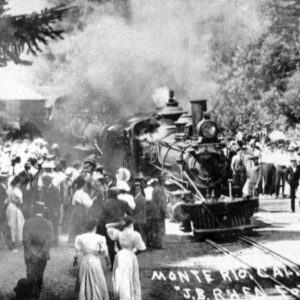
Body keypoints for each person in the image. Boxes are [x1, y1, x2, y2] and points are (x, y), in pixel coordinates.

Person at [106, 216, 146, 300]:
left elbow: (107, 227)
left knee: (121, 277)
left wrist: (118, 224)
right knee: (131, 277)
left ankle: (121, 295)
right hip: (130, 256)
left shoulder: (118, 233)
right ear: (131, 224)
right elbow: (142, 248)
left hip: (120, 256)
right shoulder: (135, 234)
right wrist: (133, 251)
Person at [22, 202, 54, 299]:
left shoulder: (27, 223)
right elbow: (49, 241)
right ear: (43, 211)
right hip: (42, 253)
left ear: (34, 210)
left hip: (30, 254)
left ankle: (29, 292)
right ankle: (37, 293)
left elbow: (25, 240)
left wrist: (32, 252)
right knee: (40, 273)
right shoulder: (49, 224)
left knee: (30, 272)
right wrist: (41, 253)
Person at [74, 218, 110, 300]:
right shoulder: (100, 238)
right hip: (95, 260)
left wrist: (75, 259)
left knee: (83, 277)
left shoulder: (80, 237)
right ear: (95, 227)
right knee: (97, 278)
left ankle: (85, 296)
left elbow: (77, 250)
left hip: (85, 259)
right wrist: (107, 260)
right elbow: (104, 250)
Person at [98, 186, 132, 267]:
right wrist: (124, 221)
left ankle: (113, 265)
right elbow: (130, 214)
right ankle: (123, 263)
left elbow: (102, 218)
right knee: (121, 245)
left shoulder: (106, 204)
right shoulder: (124, 203)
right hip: (121, 226)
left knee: (111, 246)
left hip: (110, 227)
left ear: (110, 194)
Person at [68, 176, 95, 244]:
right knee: (79, 224)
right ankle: (77, 241)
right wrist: (93, 199)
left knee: (74, 224)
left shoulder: (77, 192)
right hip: (80, 210)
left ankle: (72, 240)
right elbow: (88, 204)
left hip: (75, 210)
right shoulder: (83, 194)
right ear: (83, 185)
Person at [6, 176, 25, 251]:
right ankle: (15, 241)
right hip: (15, 208)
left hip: (9, 207)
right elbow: (18, 201)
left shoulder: (9, 190)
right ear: (18, 183)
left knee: (11, 224)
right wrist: (19, 202)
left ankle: (13, 240)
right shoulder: (17, 190)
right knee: (18, 224)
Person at [151, 175, 168, 249]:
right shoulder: (161, 190)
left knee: (155, 229)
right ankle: (161, 245)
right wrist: (165, 212)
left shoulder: (155, 189)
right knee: (161, 230)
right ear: (162, 181)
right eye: (164, 181)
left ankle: (155, 244)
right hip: (159, 213)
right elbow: (162, 202)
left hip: (154, 213)